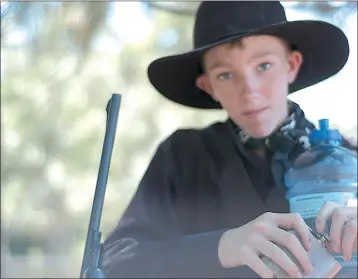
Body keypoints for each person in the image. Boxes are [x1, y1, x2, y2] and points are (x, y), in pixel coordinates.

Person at [102, 2, 357, 278]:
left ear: (291, 65)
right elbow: (115, 262)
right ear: (208, 86)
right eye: (225, 74)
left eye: (264, 66)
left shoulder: (346, 158)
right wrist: (220, 247)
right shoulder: (182, 156)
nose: (249, 91)